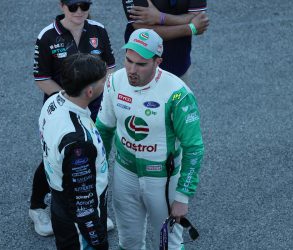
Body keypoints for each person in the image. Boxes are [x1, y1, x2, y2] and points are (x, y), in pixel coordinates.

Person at [96, 28, 204, 249]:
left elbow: (193, 148)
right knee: (129, 241)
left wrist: (183, 196)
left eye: (141, 64)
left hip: (162, 180)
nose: (132, 70)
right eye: (128, 60)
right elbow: (103, 130)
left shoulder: (177, 94)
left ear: (158, 62)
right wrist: (99, 175)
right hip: (125, 172)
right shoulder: (115, 82)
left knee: (168, 245)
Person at [30, 0, 115, 236]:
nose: (79, 11)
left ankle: (91, 211)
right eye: (73, 6)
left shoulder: (98, 29)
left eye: (85, 5)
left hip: (94, 106)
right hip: (62, 106)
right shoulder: (47, 36)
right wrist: (71, 99)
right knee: (56, 158)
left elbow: (110, 69)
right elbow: (41, 79)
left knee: (91, 158)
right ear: (62, 5)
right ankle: (37, 207)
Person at [39, 53, 109, 249]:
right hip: (79, 229)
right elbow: (84, 208)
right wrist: (99, 242)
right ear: (89, 91)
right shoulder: (79, 143)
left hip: (60, 202)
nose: (106, 83)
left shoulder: (53, 101)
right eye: (102, 81)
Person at [122, 0, 209, 87]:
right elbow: (143, 29)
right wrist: (190, 28)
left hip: (178, 64)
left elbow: (199, 19)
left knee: (177, 99)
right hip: (140, 66)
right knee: (136, 98)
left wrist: (160, 17)